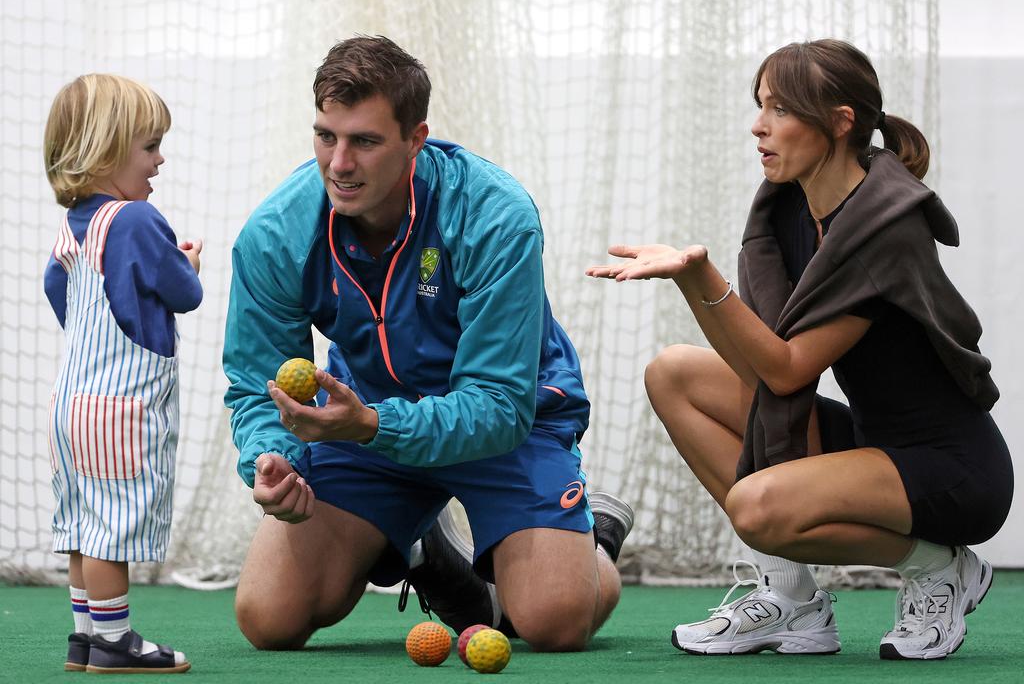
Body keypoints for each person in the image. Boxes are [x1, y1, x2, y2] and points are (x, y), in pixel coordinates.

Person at [587, 39, 1013, 661]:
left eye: (781, 110)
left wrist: (697, 278)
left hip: (950, 468)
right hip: (871, 443)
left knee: (756, 509)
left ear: (840, 122)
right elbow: (757, 365)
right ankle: (792, 601)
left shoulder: (883, 229)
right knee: (673, 374)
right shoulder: (791, 207)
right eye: (761, 106)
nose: (759, 126)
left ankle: (939, 567)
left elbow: (786, 371)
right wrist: (694, 283)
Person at [223, 35, 633, 652]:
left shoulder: (495, 215)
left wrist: (369, 424)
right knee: (269, 618)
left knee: (552, 622)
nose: (338, 163)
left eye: (364, 141)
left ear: (416, 140)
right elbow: (260, 385)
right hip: (366, 424)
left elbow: (499, 403)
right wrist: (271, 457)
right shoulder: (276, 234)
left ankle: (592, 533)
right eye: (325, 136)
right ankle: (425, 542)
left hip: (506, 426)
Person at [43, 74, 203, 673]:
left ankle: (85, 636)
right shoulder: (137, 220)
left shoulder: (74, 228)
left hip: (71, 404)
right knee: (114, 525)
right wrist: (188, 264)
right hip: (122, 409)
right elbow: (182, 292)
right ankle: (115, 642)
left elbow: (57, 290)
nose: (160, 159)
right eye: (149, 145)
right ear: (106, 149)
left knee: (86, 524)